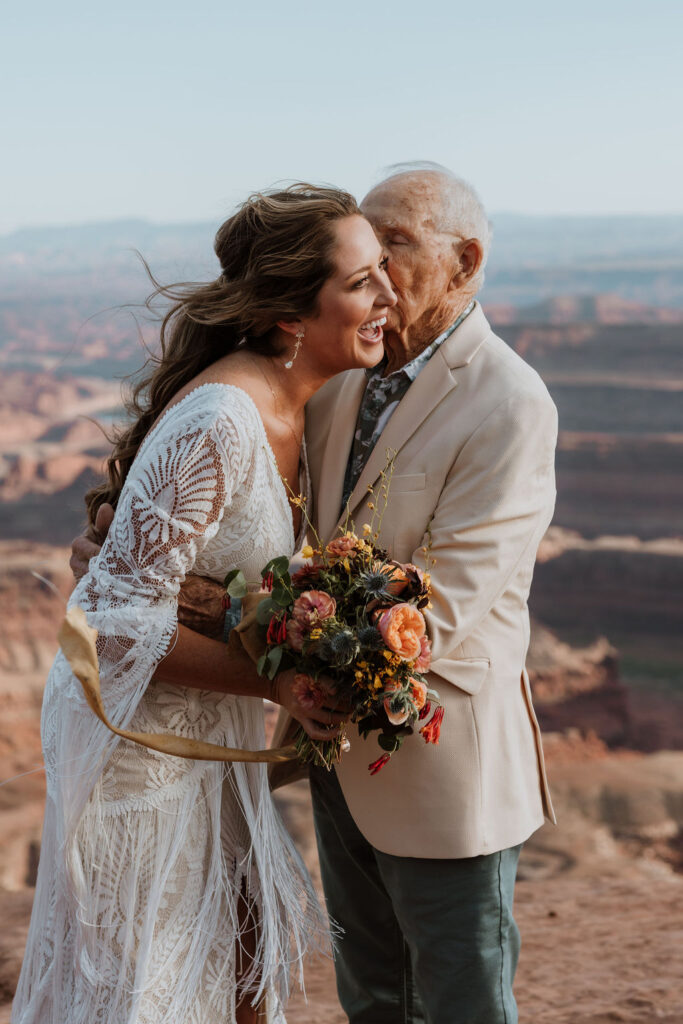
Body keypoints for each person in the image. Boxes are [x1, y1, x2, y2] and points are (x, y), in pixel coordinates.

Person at [70, 163, 558, 1024]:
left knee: (461, 1001)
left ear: (466, 259)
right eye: (364, 252)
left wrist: (235, 629)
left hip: (442, 766)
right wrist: (129, 544)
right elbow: (270, 541)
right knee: (370, 997)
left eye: (395, 247)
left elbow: (438, 611)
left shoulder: (508, 403)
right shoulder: (337, 373)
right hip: (329, 751)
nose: (378, 275)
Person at [13, 183, 396, 1024]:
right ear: (290, 314)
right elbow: (112, 623)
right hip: (139, 748)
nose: (387, 297)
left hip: (209, 735)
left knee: (239, 969)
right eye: (363, 281)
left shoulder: (312, 404)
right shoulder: (221, 420)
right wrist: (274, 684)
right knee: (153, 982)